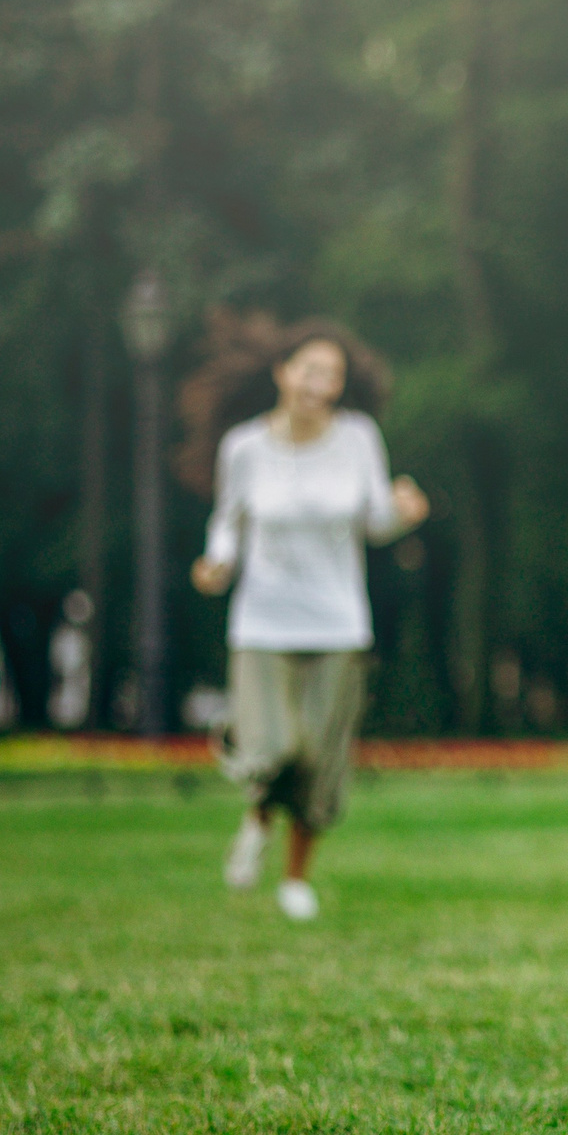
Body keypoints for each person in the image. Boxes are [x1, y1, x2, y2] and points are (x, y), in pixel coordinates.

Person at [175, 311, 427, 920]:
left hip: (339, 623)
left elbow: (373, 522)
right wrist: (216, 564)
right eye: (311, 369)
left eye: (333, 374)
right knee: (277, 748)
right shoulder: (245, 448)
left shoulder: (359, 438)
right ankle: (259, 814)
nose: (321, 383)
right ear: (283, 374)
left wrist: (402, 513)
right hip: (262, 623)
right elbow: (228, 525)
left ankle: (294, 880)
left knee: (319, 762)